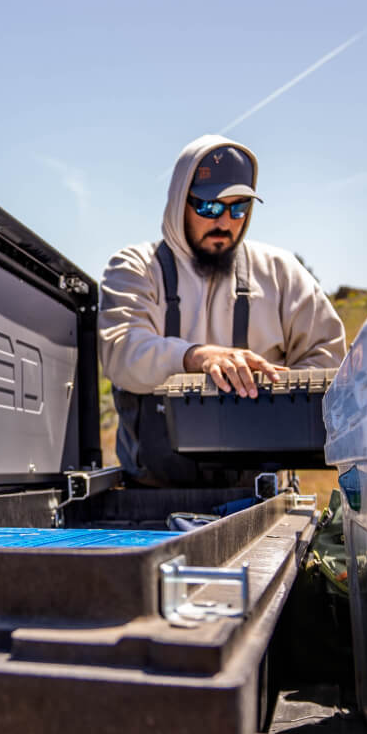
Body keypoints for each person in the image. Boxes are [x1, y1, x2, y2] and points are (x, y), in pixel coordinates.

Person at [99, 134, 345, 486]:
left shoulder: (281, 271)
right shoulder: (136, 268)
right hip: (150, 496)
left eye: (239, 207)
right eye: (209, 207)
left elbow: (329, 357)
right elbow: (120, 351)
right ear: (178, 202)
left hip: (262, 494)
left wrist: (268, 391)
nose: (226, 222)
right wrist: (196, 358)